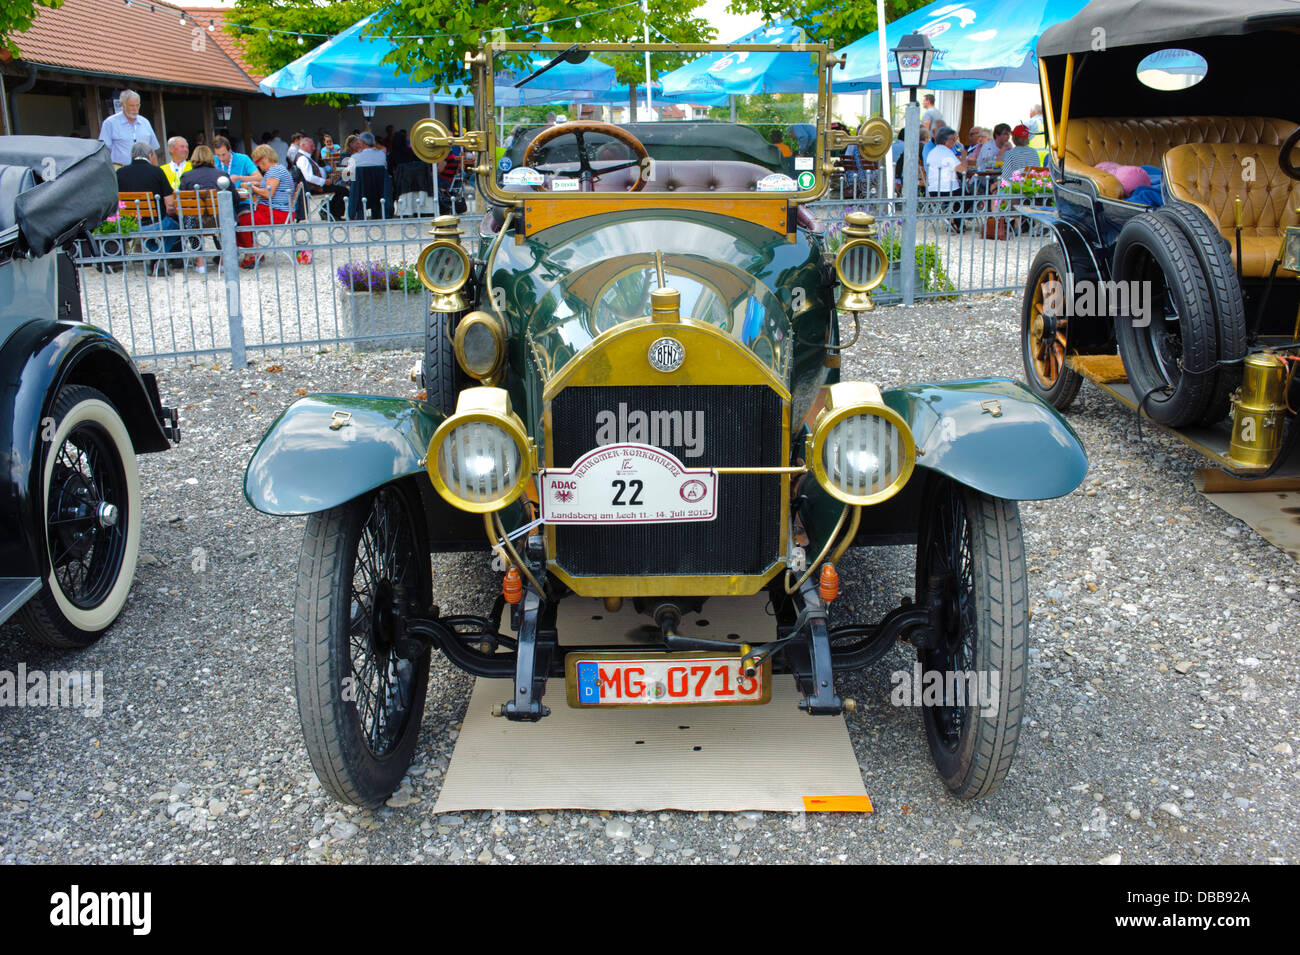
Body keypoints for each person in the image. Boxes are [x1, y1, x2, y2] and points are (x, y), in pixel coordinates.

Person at [117, 141, 179, 259]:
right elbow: (170, 203)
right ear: (150, 155)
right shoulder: (157, 172)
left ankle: (154, 254)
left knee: (152, 231)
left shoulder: (120, 173)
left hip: (129, 224)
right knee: (176, 226)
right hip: (155, 223)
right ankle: (158, 255)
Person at [177, 145, 234, 273]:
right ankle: (224, 260)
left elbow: (182, 203)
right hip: (219, 220)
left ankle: (200, 261)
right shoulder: (222, 174)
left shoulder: (186, 177)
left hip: (195, 222)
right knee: (222, 216)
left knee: (189, 217)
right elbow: (234, 198)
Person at [238, 144, 297, 267]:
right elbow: (269, 187)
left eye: (258, 162)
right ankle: (253, 251)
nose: (258, 166)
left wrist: (252, 188)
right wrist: (255, 185)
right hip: (278, 211)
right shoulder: (279, 169)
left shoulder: (274, 171)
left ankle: (252, 254)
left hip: (276, 213)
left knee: (242, 220)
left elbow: (268, 193)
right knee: (245, 218)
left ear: (264, 158)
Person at [98, 90, 160, 167]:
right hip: (120, 170)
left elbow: (152, 150)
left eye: (137, 105)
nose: (135, 109)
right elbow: (104, 152)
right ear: (122, 105)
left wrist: (157, 171)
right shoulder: (110, 123)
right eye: (131, 105)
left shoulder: (145, 122)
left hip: (144, 170)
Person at [925, 127, 970, 228]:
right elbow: (963, 170)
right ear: (948, 140)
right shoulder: (947, 153)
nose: (954, 142)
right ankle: (954, 219)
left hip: (932, 190)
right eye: (953, 139)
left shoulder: (933, 152)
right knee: (968, 197)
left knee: (962, 194)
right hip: (946, 189)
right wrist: (964, 156)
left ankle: (954, 219)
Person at [296, 136, 348, 220]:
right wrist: (324, 181)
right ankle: (332, 213)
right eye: (311, 146)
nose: (313, 148)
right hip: (314, 187)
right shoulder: (302, 158)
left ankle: (327, 210)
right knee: (343, 190)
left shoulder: (306, 157)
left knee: (341, 189)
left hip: (318, 184)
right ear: (303, 146)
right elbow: (308, 177)